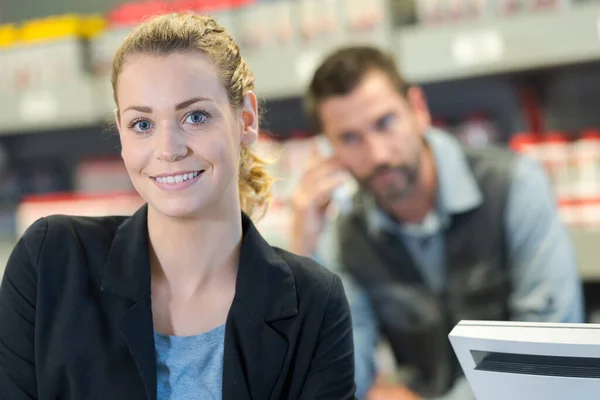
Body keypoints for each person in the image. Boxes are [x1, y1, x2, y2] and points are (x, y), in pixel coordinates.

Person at [0, 13, 357, 400]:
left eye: (195, 116)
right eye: (142, 124)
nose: (169, 149)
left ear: (247, 119)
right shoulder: (51, 261)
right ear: (121, 133)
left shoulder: (316, 303)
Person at [291, 45, 584, 400]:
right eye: (349, 138)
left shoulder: (514, 185)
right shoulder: (347, 235)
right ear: (328, 150)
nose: (377, 155)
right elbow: (343, 377)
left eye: (385, 123)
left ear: (418, 110)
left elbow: (547, 349)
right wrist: (300, 259)